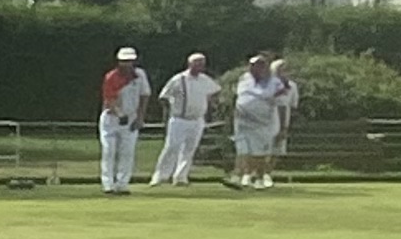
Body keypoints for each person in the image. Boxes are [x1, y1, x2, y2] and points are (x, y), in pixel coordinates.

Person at [153, 51, 220, 185]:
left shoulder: (205, 79)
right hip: (179, 119)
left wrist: (210, 105)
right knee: (172, 147)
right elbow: (164, 97)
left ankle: (181, 177)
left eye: (202, 64)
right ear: (190, 64)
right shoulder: (179, 79)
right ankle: (161, 176)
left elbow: (215, 91)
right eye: (197, 63)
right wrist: (169, 112)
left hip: (197, 119)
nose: (200, 66)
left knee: (190, 149)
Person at [97, 46, 149, 192]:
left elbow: (144, 96)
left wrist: (140, 118)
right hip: (111, 119)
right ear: (119, 62)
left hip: (131, 119)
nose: (127, 64)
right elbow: (109, 100)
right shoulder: (111, 77)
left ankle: (122, 184)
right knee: (109, 151)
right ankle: (107, 184)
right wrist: (120, 114)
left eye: (130, 61)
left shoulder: (140, 75)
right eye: (124, 61)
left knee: (127, 152)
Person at [232, 51, 286, 188]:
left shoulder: (275, 82)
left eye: (261, 65)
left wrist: (282, 126)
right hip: (242, 121)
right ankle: (245, 176)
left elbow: (281, 100)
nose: (256, 68)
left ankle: (259, 178)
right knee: (244, 150)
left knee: (259, 153)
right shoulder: (244, 79)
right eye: (254, 65)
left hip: (262, 122)